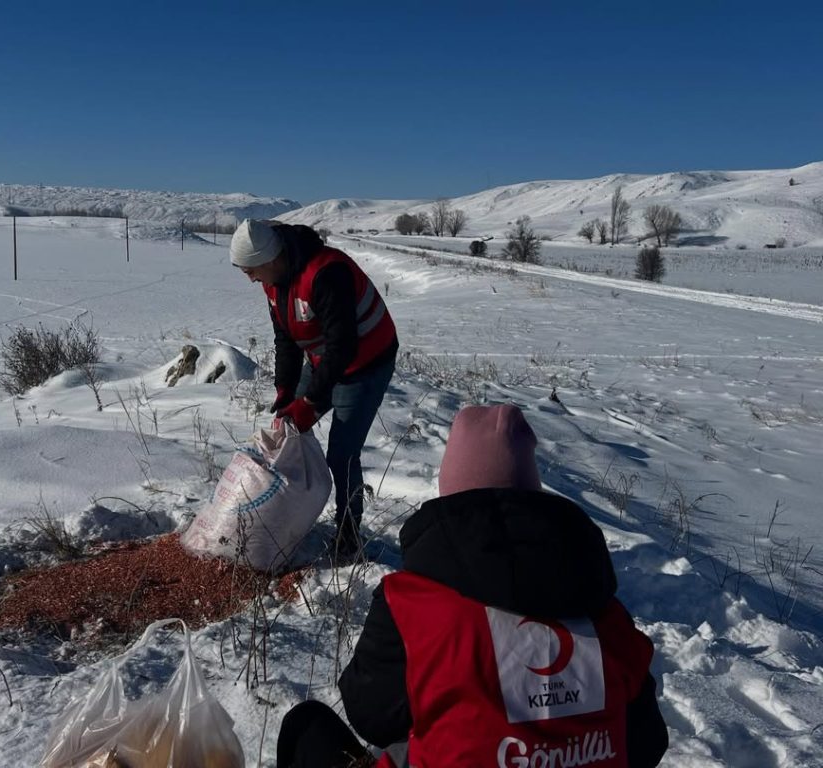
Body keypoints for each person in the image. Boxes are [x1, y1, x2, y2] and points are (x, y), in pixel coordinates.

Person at [277, 404, 669, 768]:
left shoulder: (412, 602)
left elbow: (371, 716)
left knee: (307, 727)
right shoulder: (603, 613)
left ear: (451, 492)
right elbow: (648, 742)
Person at [230, 219, 398, 558]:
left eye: (251, 270)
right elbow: (286, 339)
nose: (250, 279)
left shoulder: (326, 273)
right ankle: (282, 516)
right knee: (285, 428)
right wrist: (285, 390)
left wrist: (309, 400)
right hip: (326, 358)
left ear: (270, 258)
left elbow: (343, 346)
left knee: (342, 454)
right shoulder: (274, 282)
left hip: (365, 363)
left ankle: (349, 536)